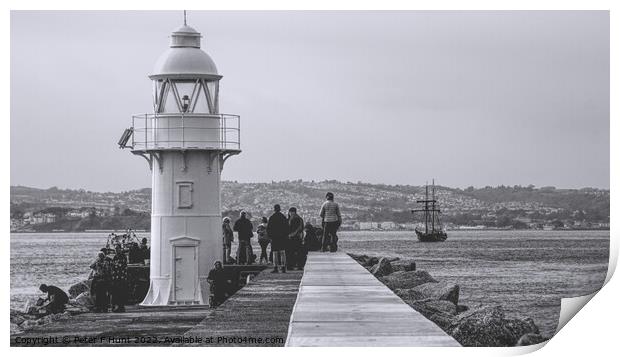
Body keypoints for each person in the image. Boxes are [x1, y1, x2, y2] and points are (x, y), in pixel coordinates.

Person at [267, 204, 289, 273]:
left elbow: (268, 229)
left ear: (274, 209)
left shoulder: (272, 217)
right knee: (282, 252)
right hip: (282, 237)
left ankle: (275, 267)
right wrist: (285, 235)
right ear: (280, 209)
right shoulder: (283, 217)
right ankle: (283, 267)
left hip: (274, 238)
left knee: (275, 253)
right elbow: (287, 228)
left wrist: (270, 237)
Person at [110, 244, 128, 312]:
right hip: (115, 277)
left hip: (121, 277)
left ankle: (121, 307)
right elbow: (113, 266)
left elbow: (122, 265)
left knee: (121, 292)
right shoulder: (115, 257)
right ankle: (117, 306)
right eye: (115, 249)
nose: (116, 250)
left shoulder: (123, 256)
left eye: (117, 248)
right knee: (116, 293)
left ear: (120, 249)